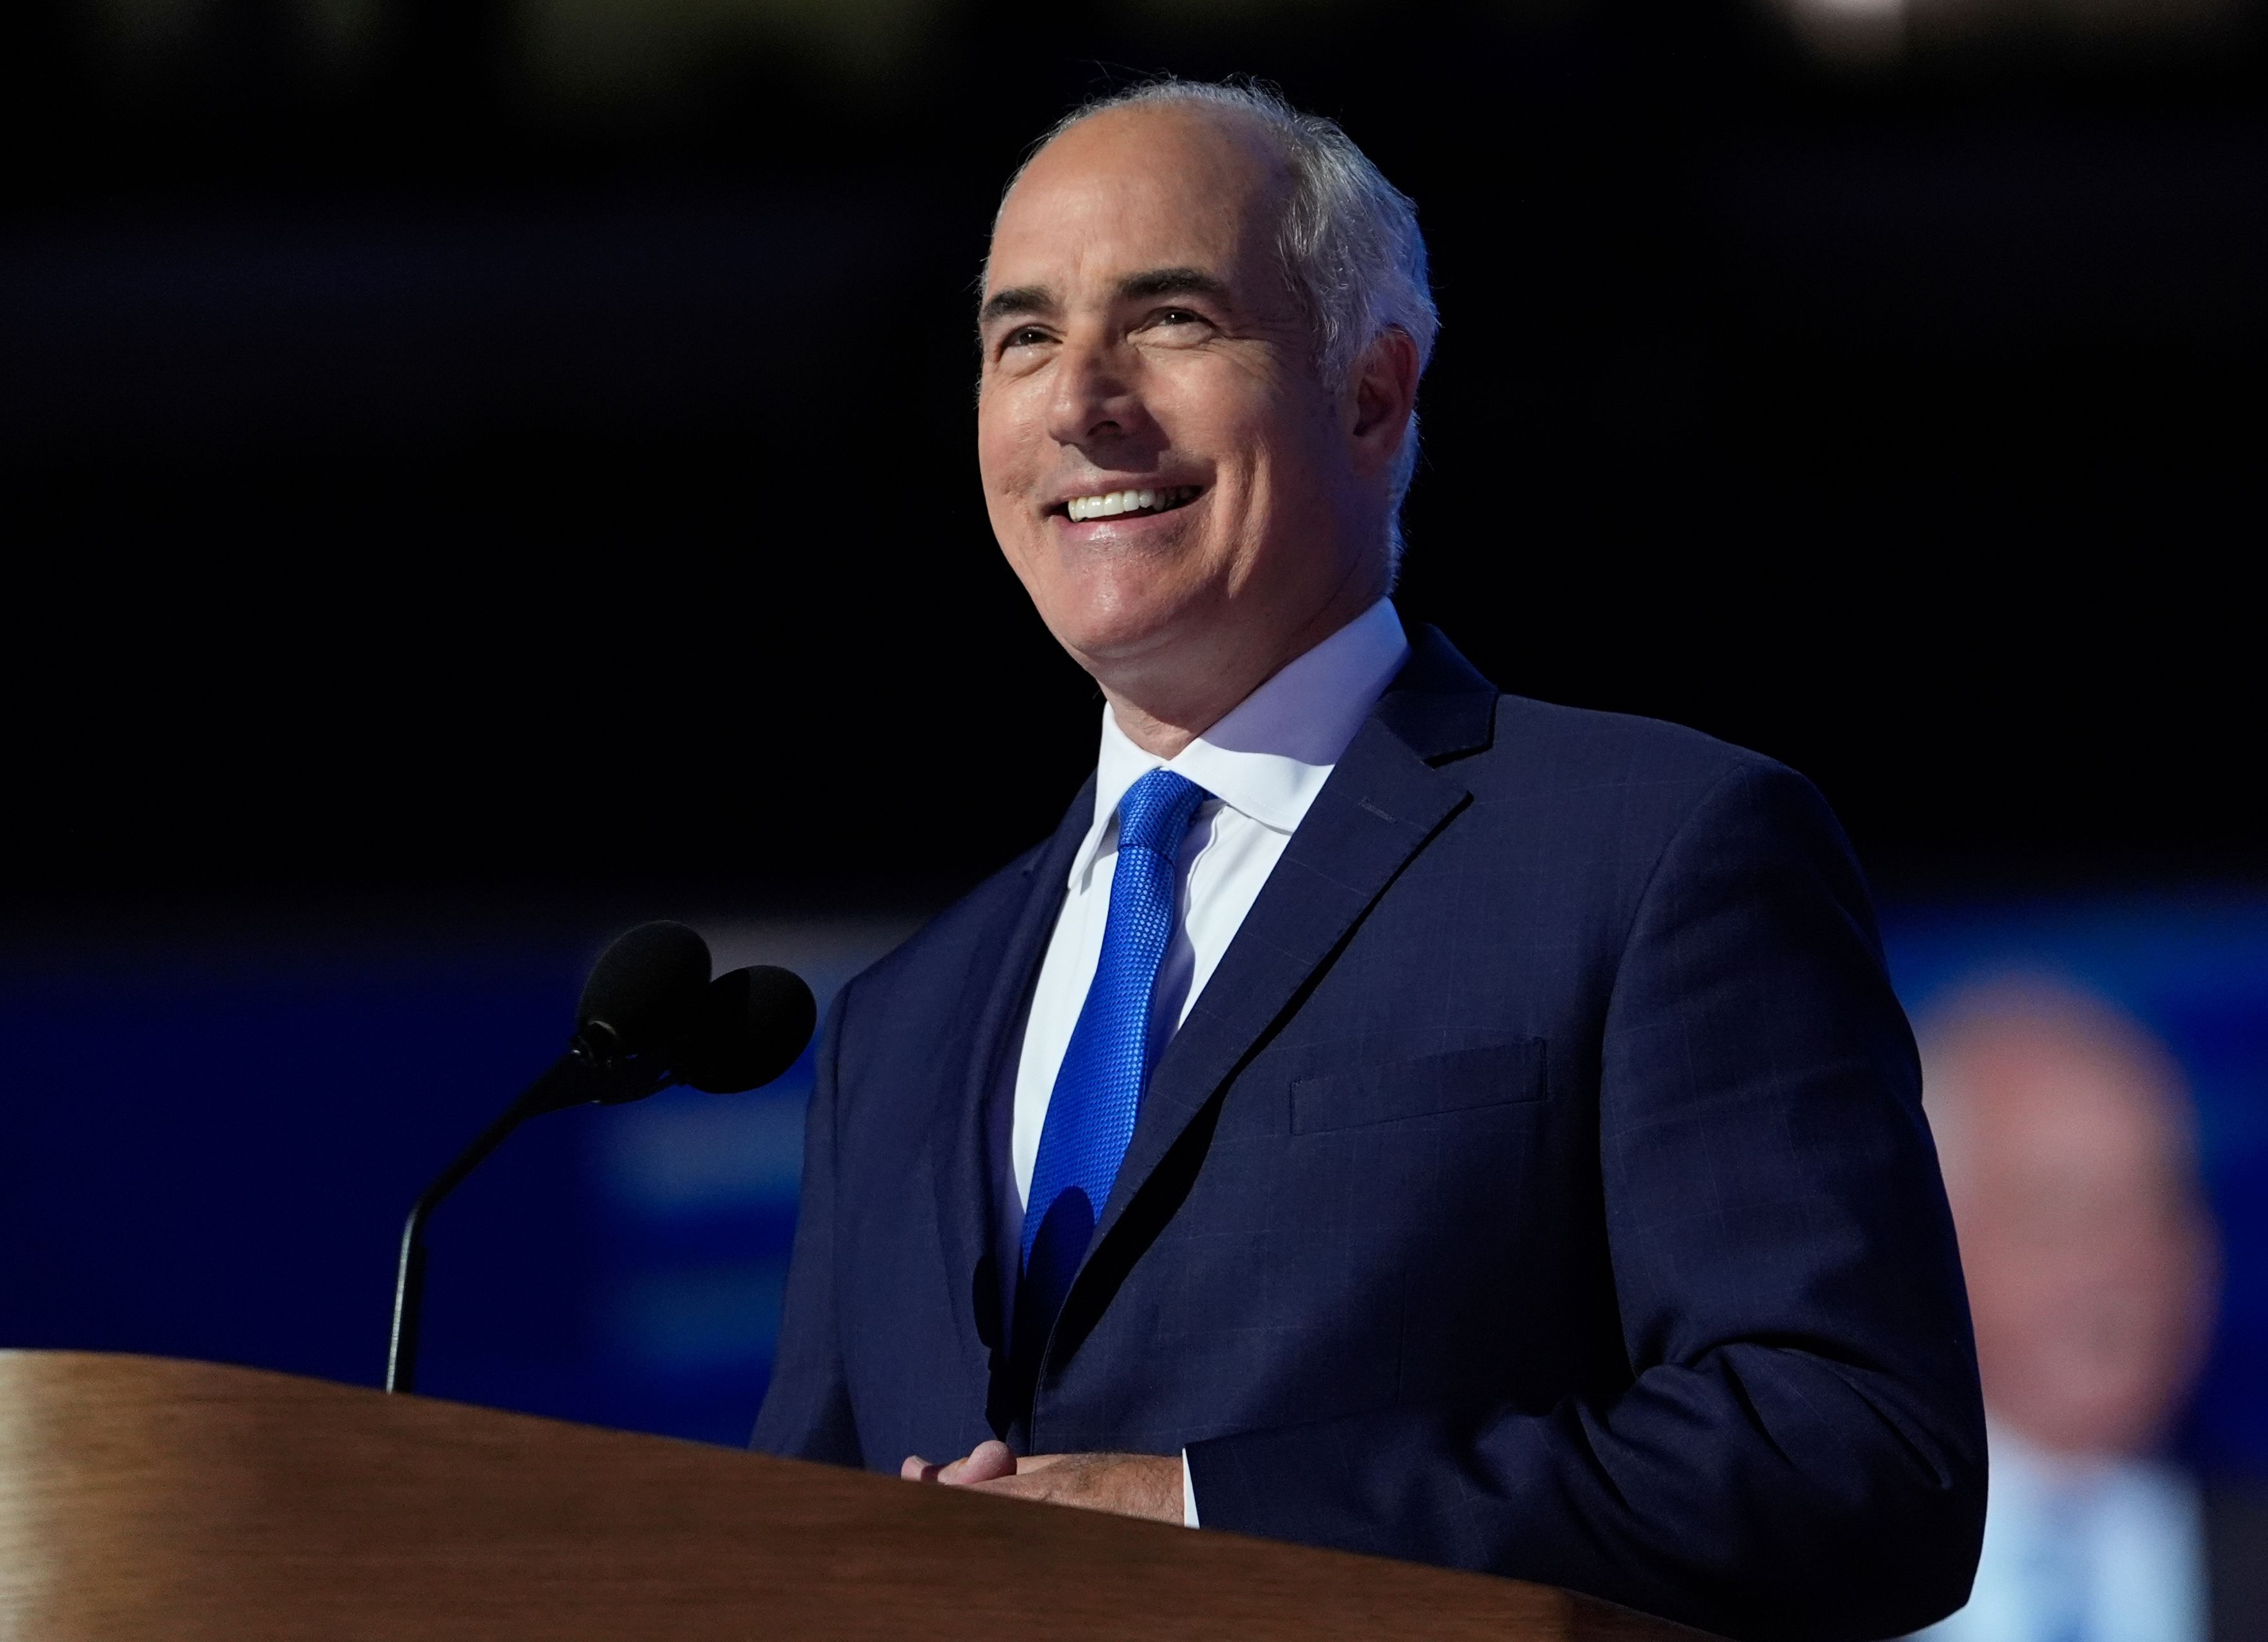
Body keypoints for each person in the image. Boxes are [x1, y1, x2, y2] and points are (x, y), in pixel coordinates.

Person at [752, 78, 1985, 1641]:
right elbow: (794, 1544)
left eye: (1171, 319)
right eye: (1022, 338)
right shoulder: (899, 1025)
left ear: (1371, 391)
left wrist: (1205, 1509)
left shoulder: (1653, 850)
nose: (1079, 401)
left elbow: (1853, 1457)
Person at [1915, 978, 2258, 1642]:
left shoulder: (2251, 1559)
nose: (2130, 1262)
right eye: (2062, 1209)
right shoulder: (1771, 1585)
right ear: (1922, 1242)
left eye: (2161, 1207)